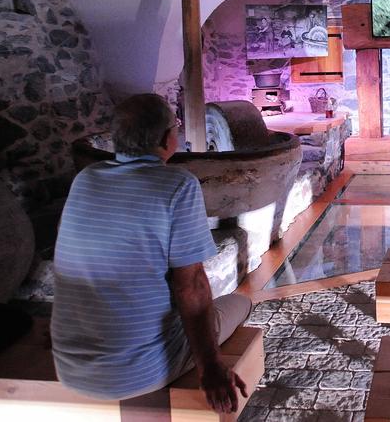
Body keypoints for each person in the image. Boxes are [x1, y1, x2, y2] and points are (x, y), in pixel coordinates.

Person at [51, 94, 252, 413]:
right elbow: (191, 286)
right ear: (165, 139)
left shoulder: (85, 179)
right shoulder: (178, 185)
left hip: (70, 367)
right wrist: (211, 367)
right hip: (138, 372)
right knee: (241, 303)